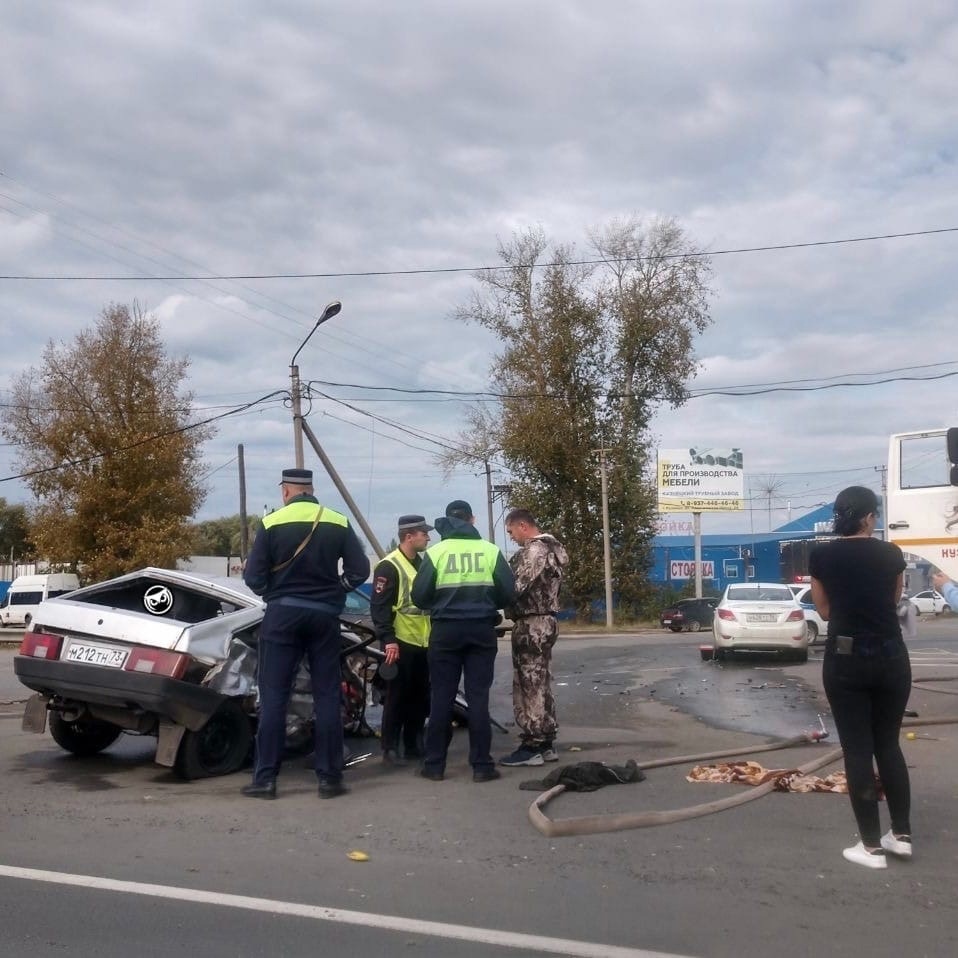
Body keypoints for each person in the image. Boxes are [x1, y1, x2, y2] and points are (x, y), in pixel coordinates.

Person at [241, 468, 370, 800]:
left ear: (286, 492)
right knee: (327, 695)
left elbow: (253, 579)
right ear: (311, 490)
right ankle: (329, 780)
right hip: (325, 617)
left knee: (274, 698)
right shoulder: (337, 521)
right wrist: (335, 590)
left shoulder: (271, 524)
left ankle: (266, 781)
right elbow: (360, 570)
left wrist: (276, 591)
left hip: (282, 616)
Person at [809, 485, 912, 869]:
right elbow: (892, 601)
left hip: (846, 659)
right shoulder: (892, 554)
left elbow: (822, 610)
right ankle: (901, 835)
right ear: (869, 517)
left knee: (857, 749)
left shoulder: (822, 555)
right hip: (891, 656)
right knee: (889, 744)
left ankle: (870, 847)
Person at [411, 499, 515, 783]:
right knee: (478, 698)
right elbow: (508, 593)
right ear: (471, 520)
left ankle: (434, 766)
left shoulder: (437, 553)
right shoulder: (490, 551)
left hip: (445, 632)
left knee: (441, 698)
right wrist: (486, 602)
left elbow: (419, 596)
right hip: (481, 630)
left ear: (447, 521)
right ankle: (482, 766)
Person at [498, 508, 569, 768]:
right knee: (540, 680)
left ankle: (533, 743)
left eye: (511, 531)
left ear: (523, 526)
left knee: (529, 683)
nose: (512, 537)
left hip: (532, 622)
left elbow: (516, 586)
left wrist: (491, 597)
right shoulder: (551, 549)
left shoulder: (535, 550)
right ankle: (546, 740)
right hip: (544, 620)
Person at [370, 514, 433, 766]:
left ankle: (414, 743)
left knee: (420, 696)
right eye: (423, 533)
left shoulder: (423, 564)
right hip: (400, 641)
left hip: (424, 641)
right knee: (397, 696)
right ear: (409, 536)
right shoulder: (389, 566)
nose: (428, 537)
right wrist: (388, 639)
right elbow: (379, 607)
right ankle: (390, 747)